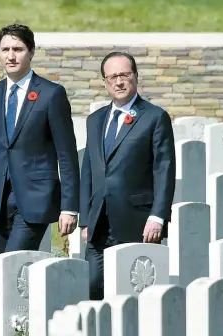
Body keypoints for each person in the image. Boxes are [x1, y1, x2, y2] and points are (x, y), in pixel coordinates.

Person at [0, 24, 80, 254]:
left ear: (31, 52)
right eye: (5, 49)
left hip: (36, 198)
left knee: (10, 264)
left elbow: (67, 154)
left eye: (18, 49)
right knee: (12, 272)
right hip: (0, 200)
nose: (11, 56)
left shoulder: (51, 94)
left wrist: (69, 206)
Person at [79, 51, 176, 300]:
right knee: (92, 287)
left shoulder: (155, 118)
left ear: (135, 77)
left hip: (138, 222)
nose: (119, 82)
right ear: (105, 82)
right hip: (99, 222)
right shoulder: (95, 120)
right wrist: (85, 219)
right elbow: (88, 170)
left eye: (124, 75)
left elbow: (164, 169)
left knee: (132, 294)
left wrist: (157, 216)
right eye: (112, 77)